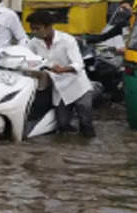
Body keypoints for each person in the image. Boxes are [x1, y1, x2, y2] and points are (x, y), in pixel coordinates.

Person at [26, 10, 96, 138]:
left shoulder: (67, 40)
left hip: (78, 86)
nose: (34, 32)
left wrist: (62, 70)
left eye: (37, 28)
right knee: (62, 125)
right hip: (59, 88)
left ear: (48, 27)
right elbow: (25, 56)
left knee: (86, 123)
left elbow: (79, 64)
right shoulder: (34, 42)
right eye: (32, 29)